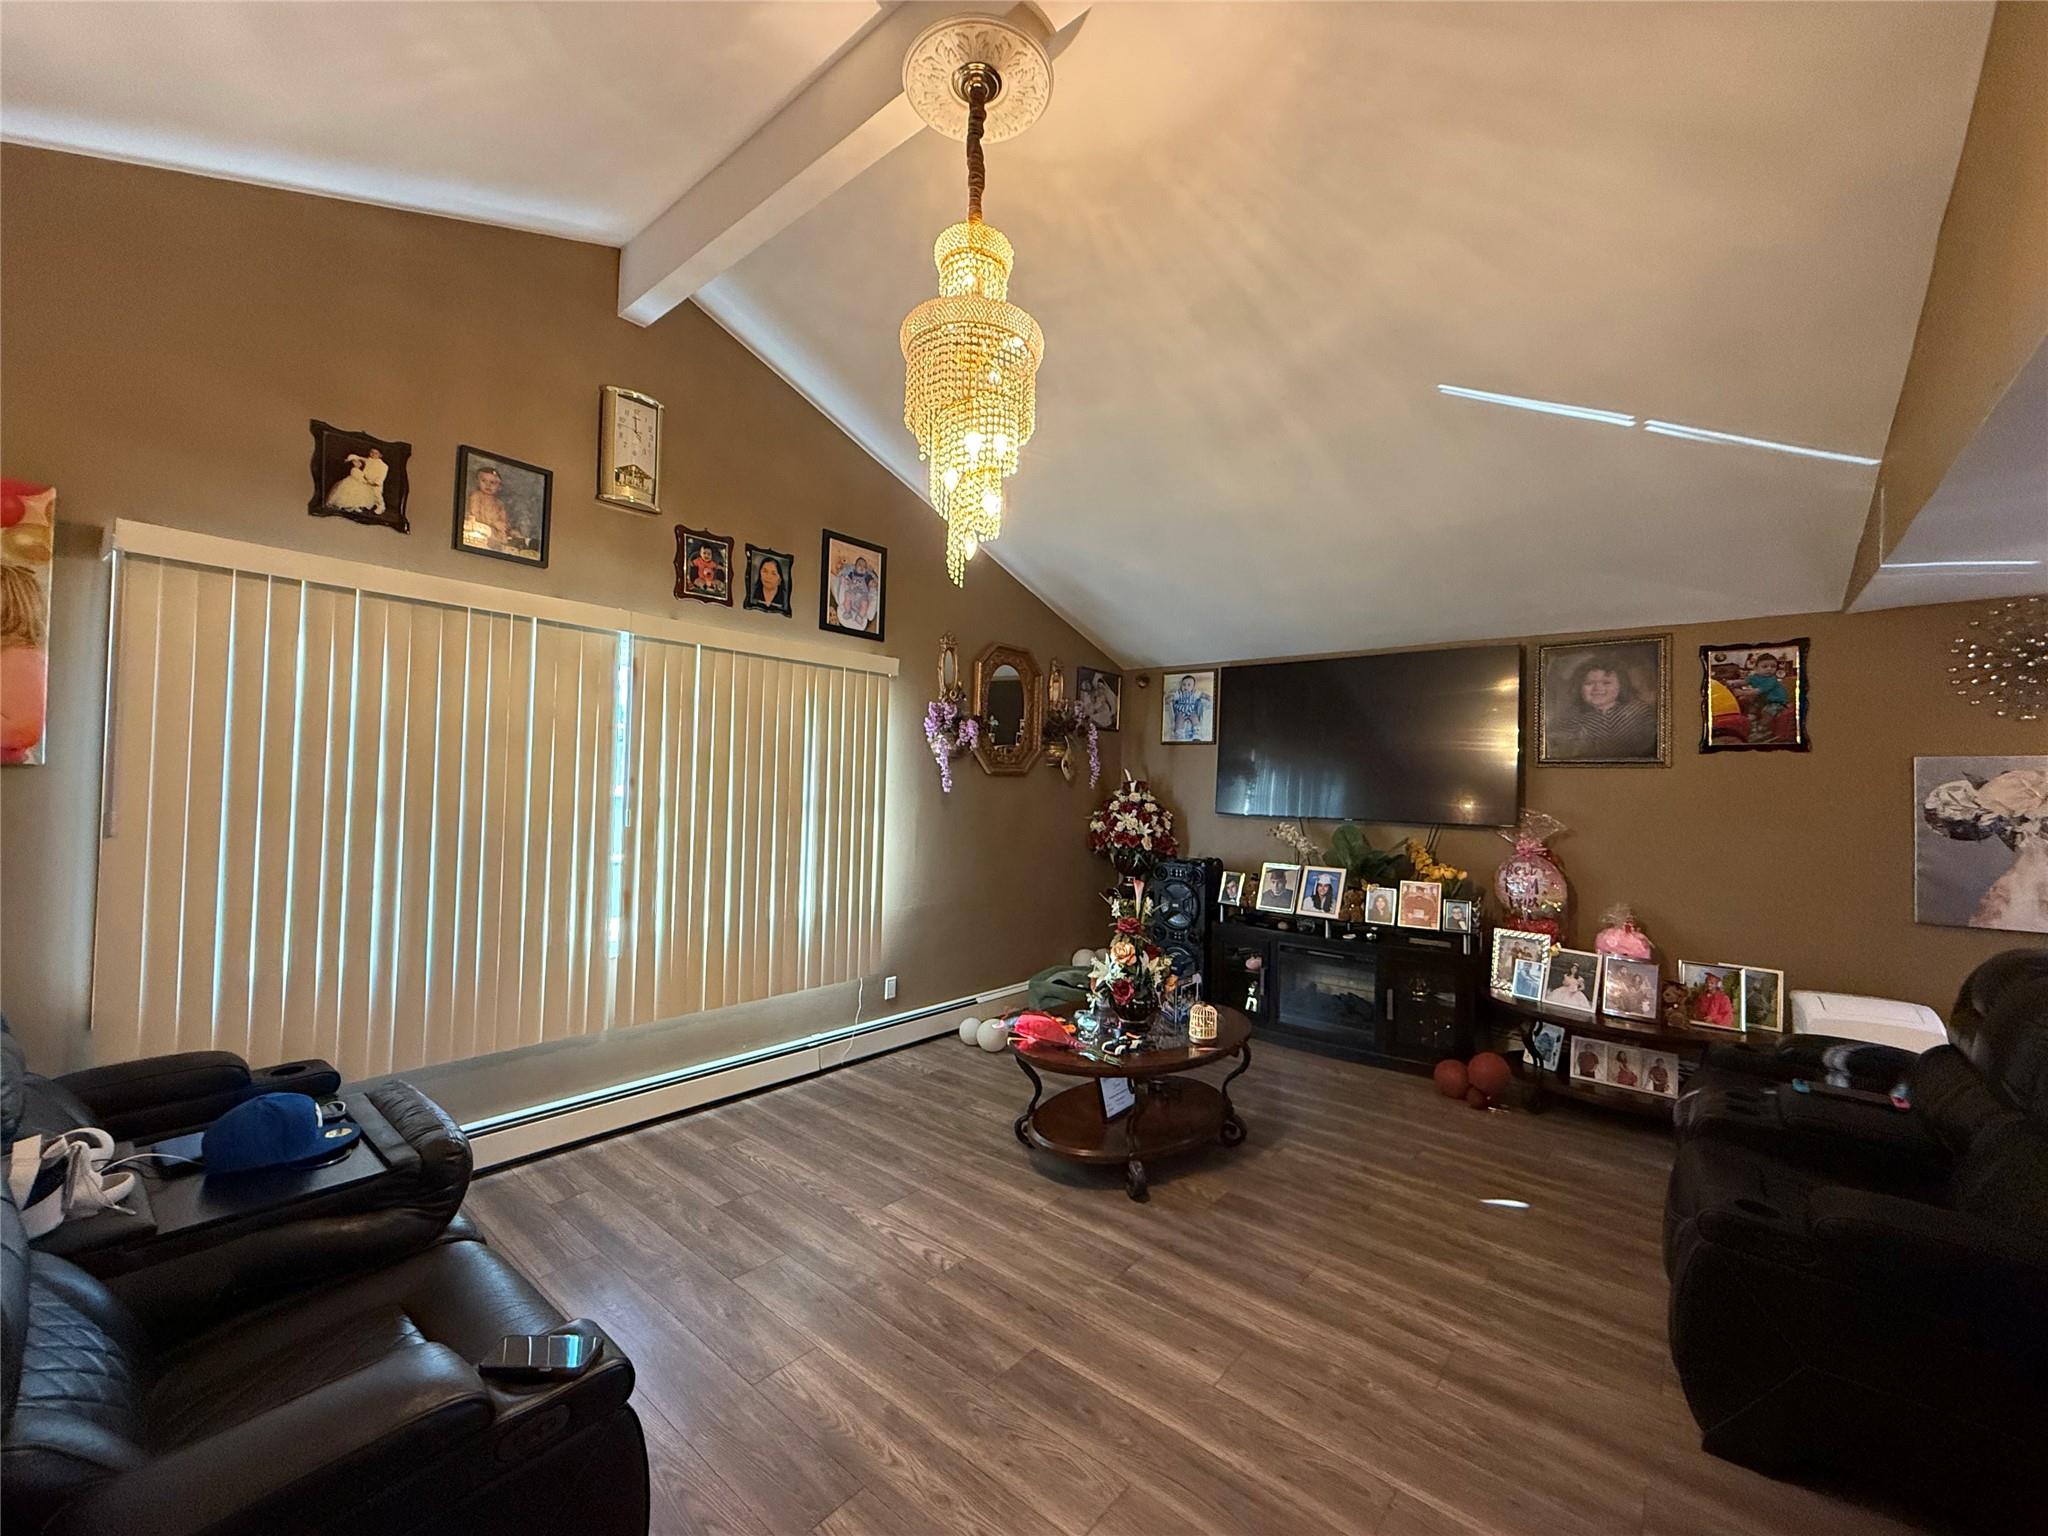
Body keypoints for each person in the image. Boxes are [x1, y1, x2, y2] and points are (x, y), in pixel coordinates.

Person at [1550, 653, 1656, 760]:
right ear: (1579, 688)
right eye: (1589, 683)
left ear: (1621, 685)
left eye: (1606, 683)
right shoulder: (1570, 720)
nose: (1597, 688)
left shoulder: (1639, 712)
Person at [1734, 652, 1790, 743]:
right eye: (1765, 666)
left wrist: (1742, 692)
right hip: (1763, 699)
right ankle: (1751, 720)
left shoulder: (1772, 680)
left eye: (1773, 666)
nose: (1769, 669)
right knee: (1751, 704)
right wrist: (1732, 683)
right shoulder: (1754, 677)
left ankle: (1763, 727)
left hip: (1776, 701)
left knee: (1767, 711)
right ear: (1756, 668)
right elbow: (1743, 682)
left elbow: (1757, 691)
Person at [325, 447, 388, 516]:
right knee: (363, 493)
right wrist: (352, 458)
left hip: (375, 482)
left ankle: (381, 506)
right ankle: (356, 505)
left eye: (376, 453)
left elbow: (382, 475)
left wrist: (377, 482)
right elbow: (358, 458)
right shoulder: (368, 460)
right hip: (365, 480)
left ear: (380, 455)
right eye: (371, 452)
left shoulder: (383, 466)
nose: (373, 454)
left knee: (377, 494)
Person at [463, 464, 510, 546]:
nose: (488, 485)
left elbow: (503, 520)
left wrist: (504, 527)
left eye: (492, 482)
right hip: (480, 527)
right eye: (484, 481)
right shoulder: (476, 496)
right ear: (478, 482)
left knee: (502, 538)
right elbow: (474, 514)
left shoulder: (499, 503)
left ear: (499, 486)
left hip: (494, 530)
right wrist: (493, 523)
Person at [832, 554, 879, 631]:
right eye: (859, 565)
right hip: (852, 593)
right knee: (847, 595)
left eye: (864, 566)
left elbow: (871, 584)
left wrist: (873, 584)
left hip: (862, 596)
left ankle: (860, 616)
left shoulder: (867, 576)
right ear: (855, 567)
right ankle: (848, 611)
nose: (862, 567)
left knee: (865, 603)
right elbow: (847, 580)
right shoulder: (852, 573)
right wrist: (846, 581)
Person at [1166, 674, 1209, 742]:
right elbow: (1172, 697)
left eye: (1189, 685)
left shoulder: (1195, 693)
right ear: (1181, 685)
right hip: (1180, 711)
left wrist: (1208, 697)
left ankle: (1196, 735)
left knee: (1195, 718)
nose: (1186, 687)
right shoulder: (1179, 693)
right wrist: (1169, 699)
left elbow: (1202, 695)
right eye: (1184, 684)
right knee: (1179, 719)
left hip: (1191, 711)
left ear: (1193, 687)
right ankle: (1179, 735)